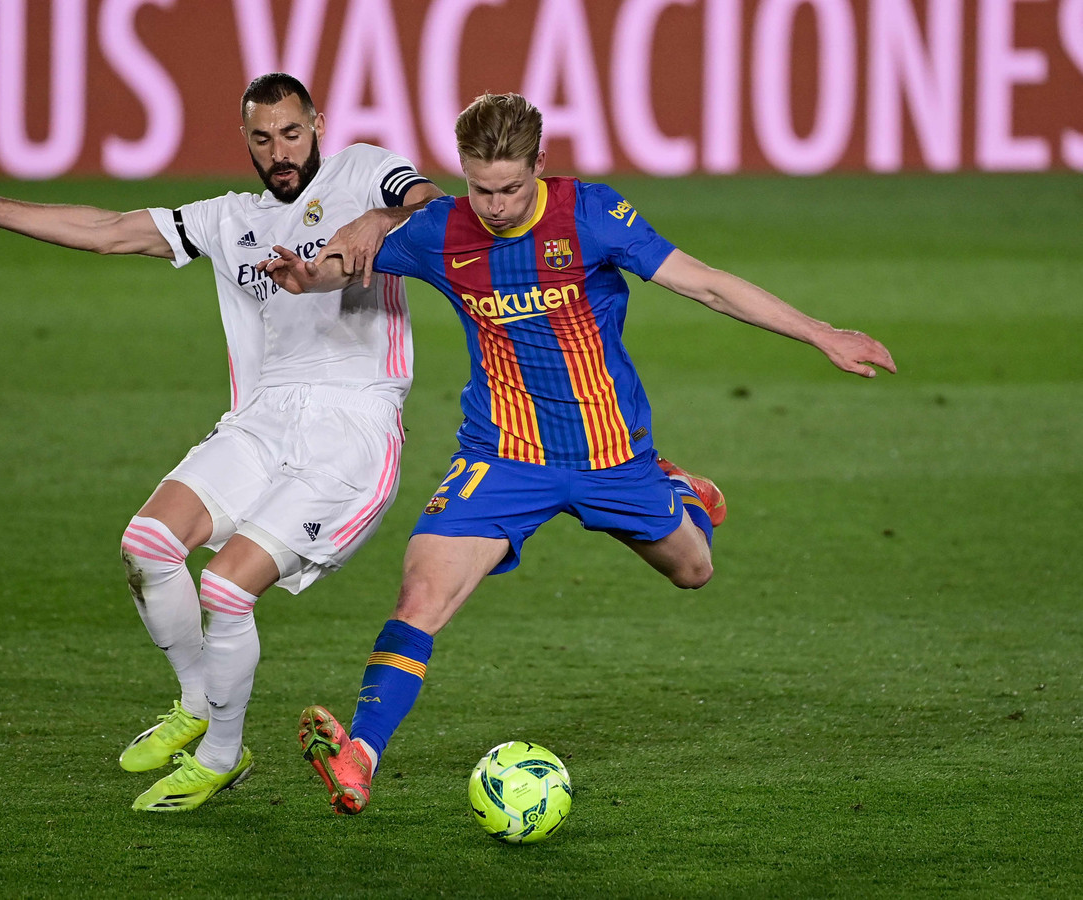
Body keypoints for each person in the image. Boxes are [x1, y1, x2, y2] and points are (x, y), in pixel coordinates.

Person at [259, 92, 896, 815]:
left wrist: (823, 333)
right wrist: (312, 271)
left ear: (540, 165)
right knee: (422, 592)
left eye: (508, 187)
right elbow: (350, 259)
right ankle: (362, 756)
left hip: (612, 456)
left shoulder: (589, 215)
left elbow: (710, 285)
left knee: (694, 569)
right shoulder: (440, 229)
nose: (494, 205)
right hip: (503, 455)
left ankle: (681, 490)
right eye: (479, 186)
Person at [0, 73, 442, 812]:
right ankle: (197, 701)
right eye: (261, 138)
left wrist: (381, 218)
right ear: (244, 138)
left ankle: (221, 754)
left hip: (352, 428)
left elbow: (433, 204)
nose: (279, 152)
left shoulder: (363, 170)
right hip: (264, 416)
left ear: (318, 123)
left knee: (224, 587)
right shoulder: (229, 218)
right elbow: (107, 232)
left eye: (291, 133)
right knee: (147, 544)